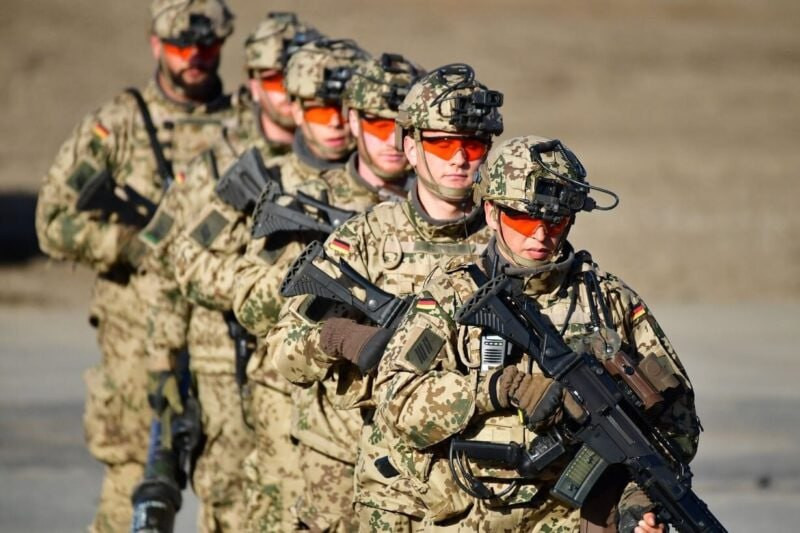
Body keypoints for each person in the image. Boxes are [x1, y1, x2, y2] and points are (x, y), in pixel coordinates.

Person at [370, 135, 701, 531]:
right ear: (491, 212)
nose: (540, 235)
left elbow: (675, 428)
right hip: (466, 516)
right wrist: (498, 388)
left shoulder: (610, 301)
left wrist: (636, 504)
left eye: (556, 221)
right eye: (524, 220)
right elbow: (396, 398)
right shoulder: (452, 294)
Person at [262, 63, 504, 531]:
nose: (459, 158)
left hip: (471, 487)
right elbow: (284, 350)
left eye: (473, 145)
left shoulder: (506, 244)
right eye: (442, 144)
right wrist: (340, 338)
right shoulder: (364, 239)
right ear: (410, 147)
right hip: (358, 478)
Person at [34, 1, 235, 531]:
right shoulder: (120, 124)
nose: (194, 57)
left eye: (207, 45)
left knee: (233, 486)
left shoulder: (243, 128)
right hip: (134, 346)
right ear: (155, 44)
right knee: (132, 490)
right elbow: (52, 222)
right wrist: (129, 244)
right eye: (180, 46)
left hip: (220, 341)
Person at [133, 13, 321, 532]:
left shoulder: (329, 165)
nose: (289, 94)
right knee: (230, 500)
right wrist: (164, 364)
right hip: (220, 363)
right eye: (276, 80)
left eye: (300, 81)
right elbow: (169, 269)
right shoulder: (219, 166)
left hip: (297, 369)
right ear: (253, 82)